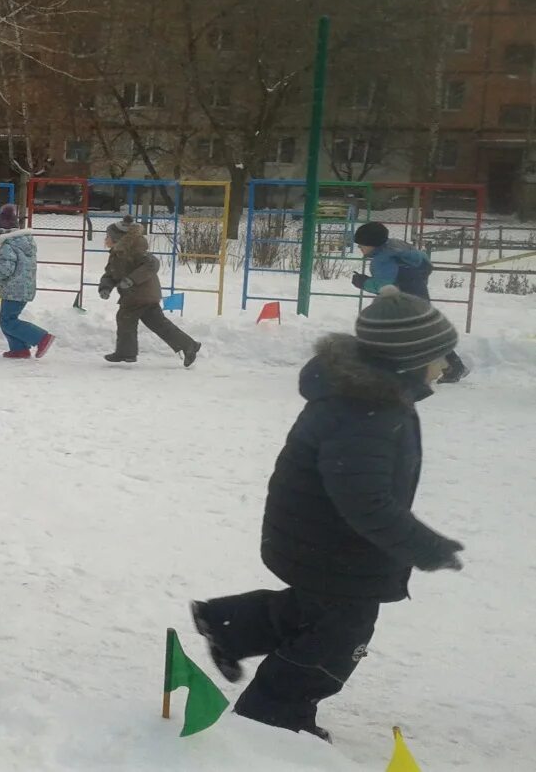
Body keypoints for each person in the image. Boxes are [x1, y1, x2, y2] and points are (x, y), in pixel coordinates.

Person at [190, 286, 465, 742]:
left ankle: (229, 625)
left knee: (314, 611)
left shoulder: (369, 395)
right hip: (334, 546)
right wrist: (423, 546)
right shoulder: (367, 411)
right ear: (409, 359)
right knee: (336, 642)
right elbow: (365, 501)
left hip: (318, 539)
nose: (446, 366)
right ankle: (272, 719)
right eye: (441, 355)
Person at [351, 221, 467, 384]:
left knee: (400, 333)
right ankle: (451, 366)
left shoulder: (383, 259)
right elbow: (425, 263)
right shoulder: (398, 247)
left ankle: (446, 367)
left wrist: (363, 282)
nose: (360, 248)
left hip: (401, 299)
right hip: (416, 293)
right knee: (422, 331)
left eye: (362, 244)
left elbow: (385, 286)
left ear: (373, 244)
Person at [98, 217, 199, 366]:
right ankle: (189, 345)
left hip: (140, 294)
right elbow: (110, 273)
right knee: (158, 323)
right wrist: (105, 287)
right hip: (140, 295)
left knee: (125, 318)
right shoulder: (117, 253)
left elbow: (152, 264)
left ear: (117, 239)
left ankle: (126, 353)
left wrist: (131, 279)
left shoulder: (134, 251)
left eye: (108, 236)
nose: (105, 239)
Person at [0, 204, 54, 360]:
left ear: (0, 231)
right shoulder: (25, 242)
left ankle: (41, 338)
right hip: (24, 288)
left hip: (13, 290)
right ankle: (19, 349)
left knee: (8, 321)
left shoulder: (7, 246)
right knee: (7, 319)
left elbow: (6, 269)